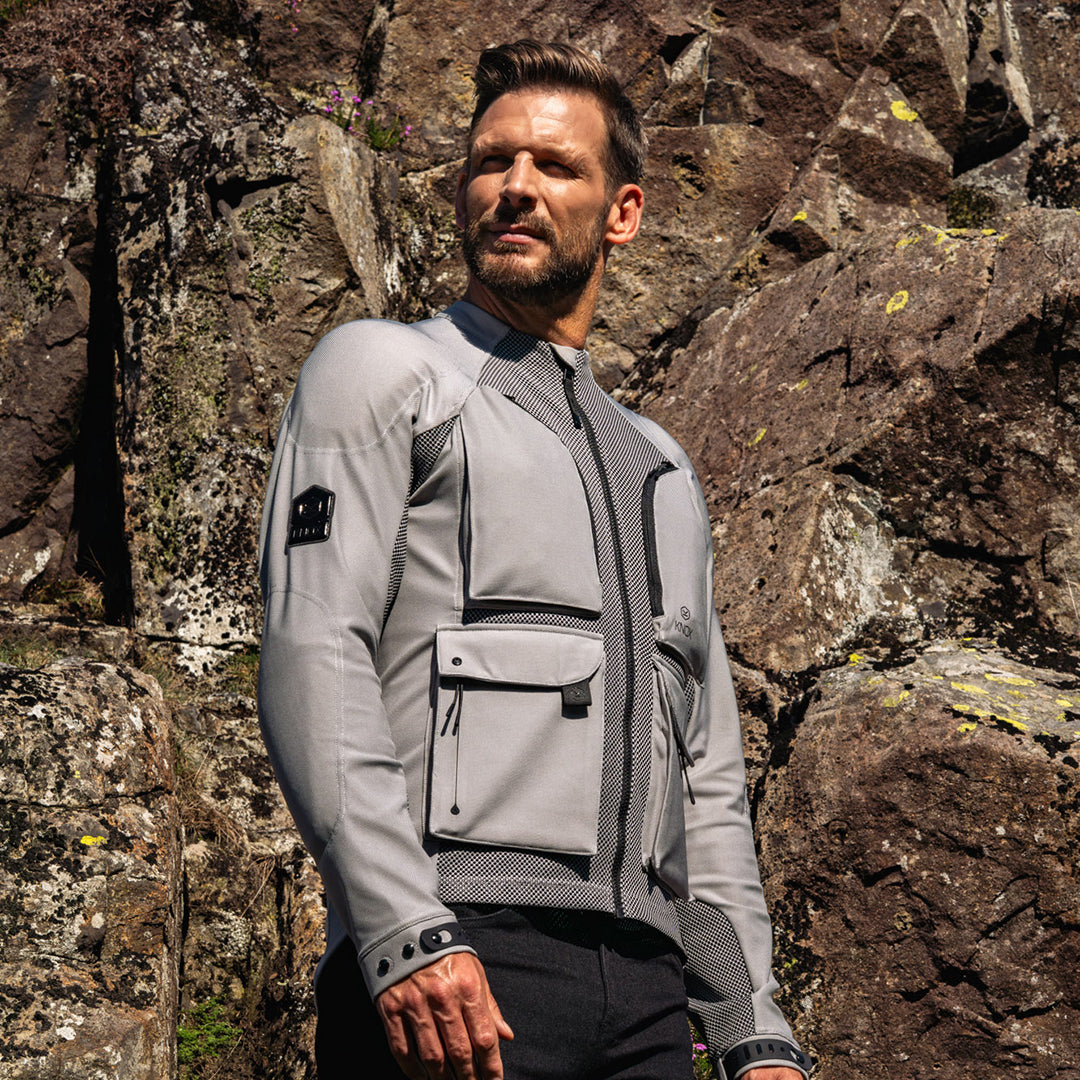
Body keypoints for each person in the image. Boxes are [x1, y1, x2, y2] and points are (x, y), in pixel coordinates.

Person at [258, 39, 810, 1080]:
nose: (515, 186)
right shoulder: (382, 370)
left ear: (623, 212)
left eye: (555, 166)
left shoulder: (663, 468)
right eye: (490, 161)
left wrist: (753, 1029)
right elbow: (312, 646)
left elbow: (703, 773)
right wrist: (402, 929)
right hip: (453, 963)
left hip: (650, 1004)